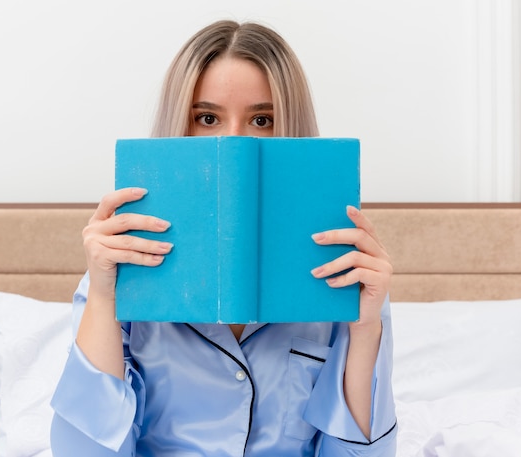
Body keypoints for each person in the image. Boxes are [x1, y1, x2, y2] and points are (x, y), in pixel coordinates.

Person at [50, 19, 396, 456]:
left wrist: (366, 331)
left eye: (263, 119)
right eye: (208, 118)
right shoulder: (119, 278)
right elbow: (84, 452)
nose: (233, 141)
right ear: (181, 128)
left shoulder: (345, 274)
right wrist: (102, 299)